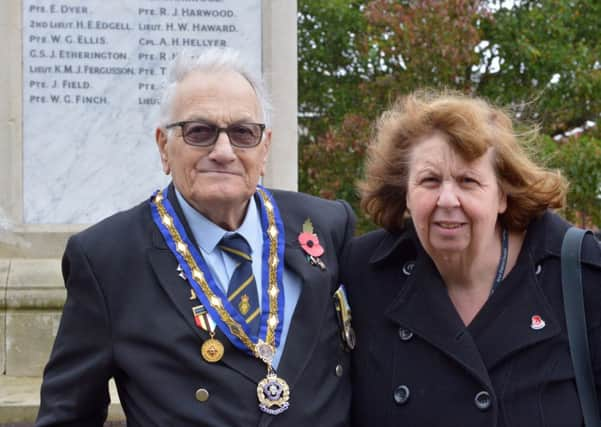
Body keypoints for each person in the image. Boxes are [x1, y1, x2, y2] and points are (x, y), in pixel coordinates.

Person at [36, 48, 355, 427]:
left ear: (264, 146)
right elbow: (67, 415)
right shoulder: (107, 258)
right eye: (199, 132)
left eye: (242, 133)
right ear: (163, 146)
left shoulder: (327, 226)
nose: (223, 152)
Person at [343, 90, 601, 426]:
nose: (447, 199)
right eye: (430, 180)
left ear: (502, 196)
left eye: (468, 181)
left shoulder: (580, 273)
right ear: (405, 194)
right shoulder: (362, 274)